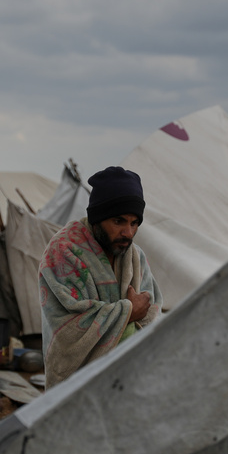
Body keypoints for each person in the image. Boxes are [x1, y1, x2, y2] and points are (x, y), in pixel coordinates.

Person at [39, 166, 163, 387]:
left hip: (131, 378)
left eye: (134, 223)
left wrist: (134, 314)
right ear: (97, 218)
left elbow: (151, 309)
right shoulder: (63, 253)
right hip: (77, 386)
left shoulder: (134, 256)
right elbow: (68, 330)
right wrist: (128, 312)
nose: (128, 233)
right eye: (119, 222)